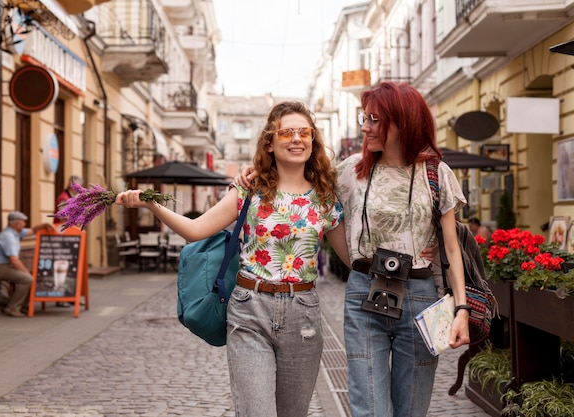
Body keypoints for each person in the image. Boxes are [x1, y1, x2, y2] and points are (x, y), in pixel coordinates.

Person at [237, 83, 470, 417]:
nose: (365, 127)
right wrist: (256, 171)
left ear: (401, 121)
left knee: (412, 409)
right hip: (366, 293)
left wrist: (461, 308)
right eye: (365, 118)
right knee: (369, 408)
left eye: (374, 119)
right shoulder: (350, 170)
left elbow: (451, 247)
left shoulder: (436, 173)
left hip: (422, 298)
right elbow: (299, 176)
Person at [117, 101, 351, 417]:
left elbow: (353, 259)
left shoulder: (325, 198)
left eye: (303, 132)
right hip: (250, 308)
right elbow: (196, 230)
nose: (296, 139)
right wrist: (152, 206)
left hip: (303, 315)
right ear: (270, 142)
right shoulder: (249, 191)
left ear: (313, 140)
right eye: (287, 132)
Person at [0, 211, 55, 317]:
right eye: (23, 222)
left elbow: (33, 230)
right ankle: (12, 308)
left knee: (31, 276)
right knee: (27, 279)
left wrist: (43, 225)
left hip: (4, 265)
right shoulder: (8, 237)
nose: (24, 224)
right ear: (16, 224)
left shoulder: (16, 233)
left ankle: (23, 306)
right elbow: (14, 260)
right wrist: (26, 273)